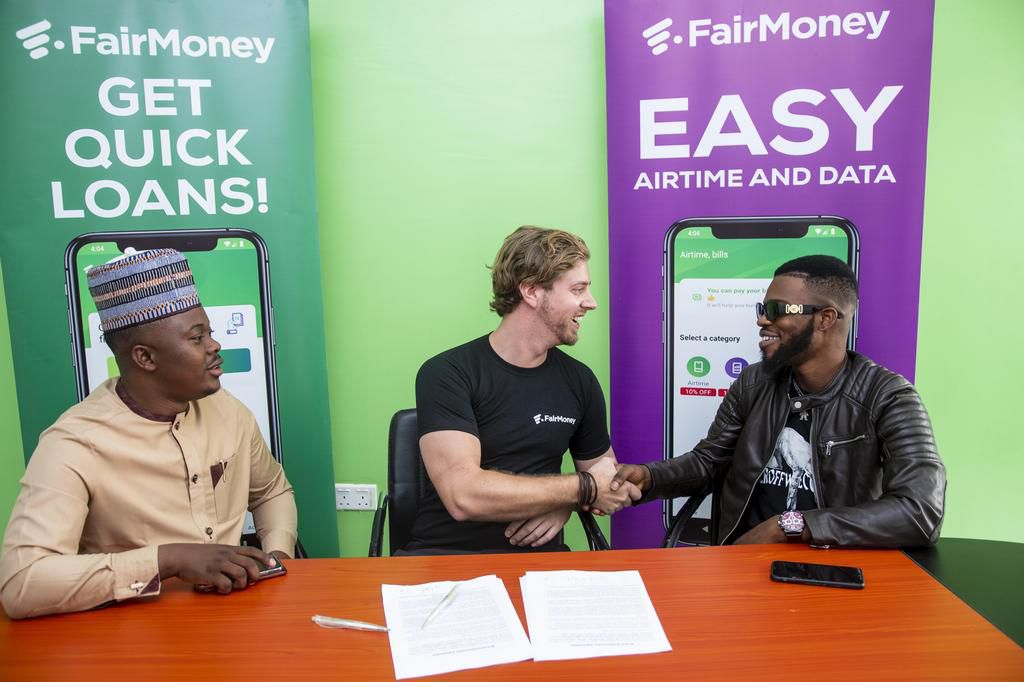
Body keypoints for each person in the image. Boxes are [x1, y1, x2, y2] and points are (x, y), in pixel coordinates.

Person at [0, 249, 296, 619]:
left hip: (233, 623)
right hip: (130, 637)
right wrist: (168, 559)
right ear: (145, 358)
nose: (214, 346)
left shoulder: (229, 412)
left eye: (210, 333)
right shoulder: (73, 444)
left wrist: (278, 556)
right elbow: (21, 583)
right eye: (196, 337)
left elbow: (271, 490)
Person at [612, 255, 946, 547]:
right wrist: (648, 477)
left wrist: (787, 527)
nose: (762, 320)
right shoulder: (753, 383)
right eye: (763, 309)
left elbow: (919, 511)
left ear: (826, 319)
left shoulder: (887, 397)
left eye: (776, 310)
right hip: (742, 570)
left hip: (837, 575)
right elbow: (708, 463)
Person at [406, 226, 640, 554]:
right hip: (447, 555)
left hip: (540, 564)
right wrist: (581, 489)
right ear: (531, 291)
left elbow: (608, 481)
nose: (591, 303)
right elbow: (463, 495)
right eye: (578, 289)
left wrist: (569, 503)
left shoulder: (580, 380)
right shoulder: (448, 373)